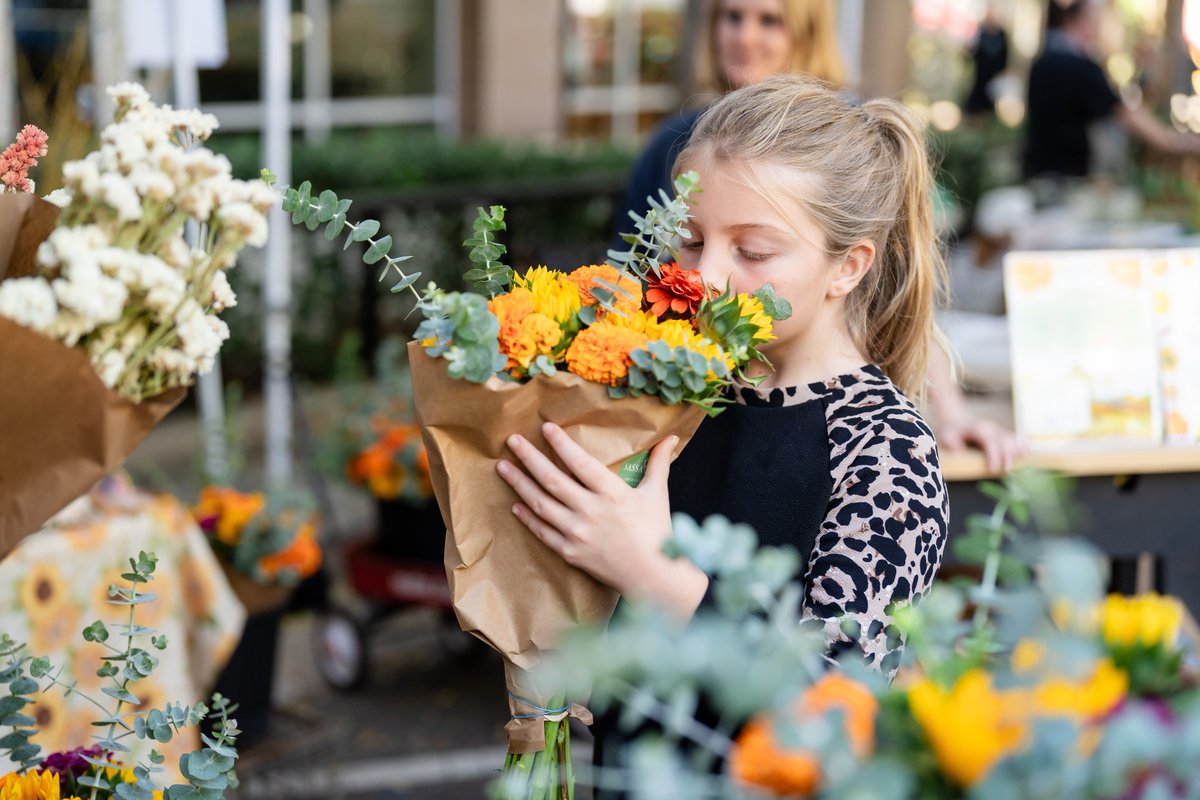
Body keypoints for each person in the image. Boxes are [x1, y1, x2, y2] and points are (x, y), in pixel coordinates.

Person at [502, 74, 948, 671]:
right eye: (688, 240)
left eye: (753, 252)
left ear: (848, 266)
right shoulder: (670, 381)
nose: (704, 277)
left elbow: (838, 693)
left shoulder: (888, 447)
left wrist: (655, 579)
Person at [1025, 0, 1200, 179]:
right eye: (1095, 21)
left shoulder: (1042, 61)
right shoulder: (1080, 67)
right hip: (1064, 174)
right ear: (1080, 20)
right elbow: (1122, 111)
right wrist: (1171, 141)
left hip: (1036, 167)